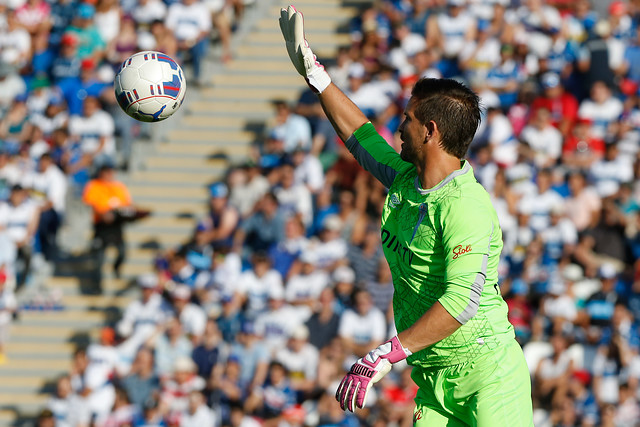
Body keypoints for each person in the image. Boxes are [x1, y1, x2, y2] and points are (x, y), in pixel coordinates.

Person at [278, 6, 532, 425]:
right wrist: (316, 75)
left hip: (489, 376)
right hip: (433, 380)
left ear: (431, 131)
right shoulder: (405, 179)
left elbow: (461, 302)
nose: (398, 127)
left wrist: (386, 353)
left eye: (408, 119)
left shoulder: (466, 206)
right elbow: (360, 136)